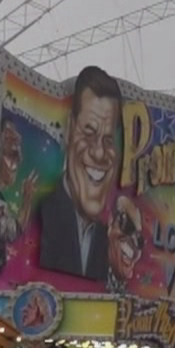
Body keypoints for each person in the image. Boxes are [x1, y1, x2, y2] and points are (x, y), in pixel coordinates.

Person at [37, 65, 123, 282]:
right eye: (89, 133)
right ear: (69, 130)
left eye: (108, 140)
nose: (99, 152)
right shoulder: (39, 217)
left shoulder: (107, 237)